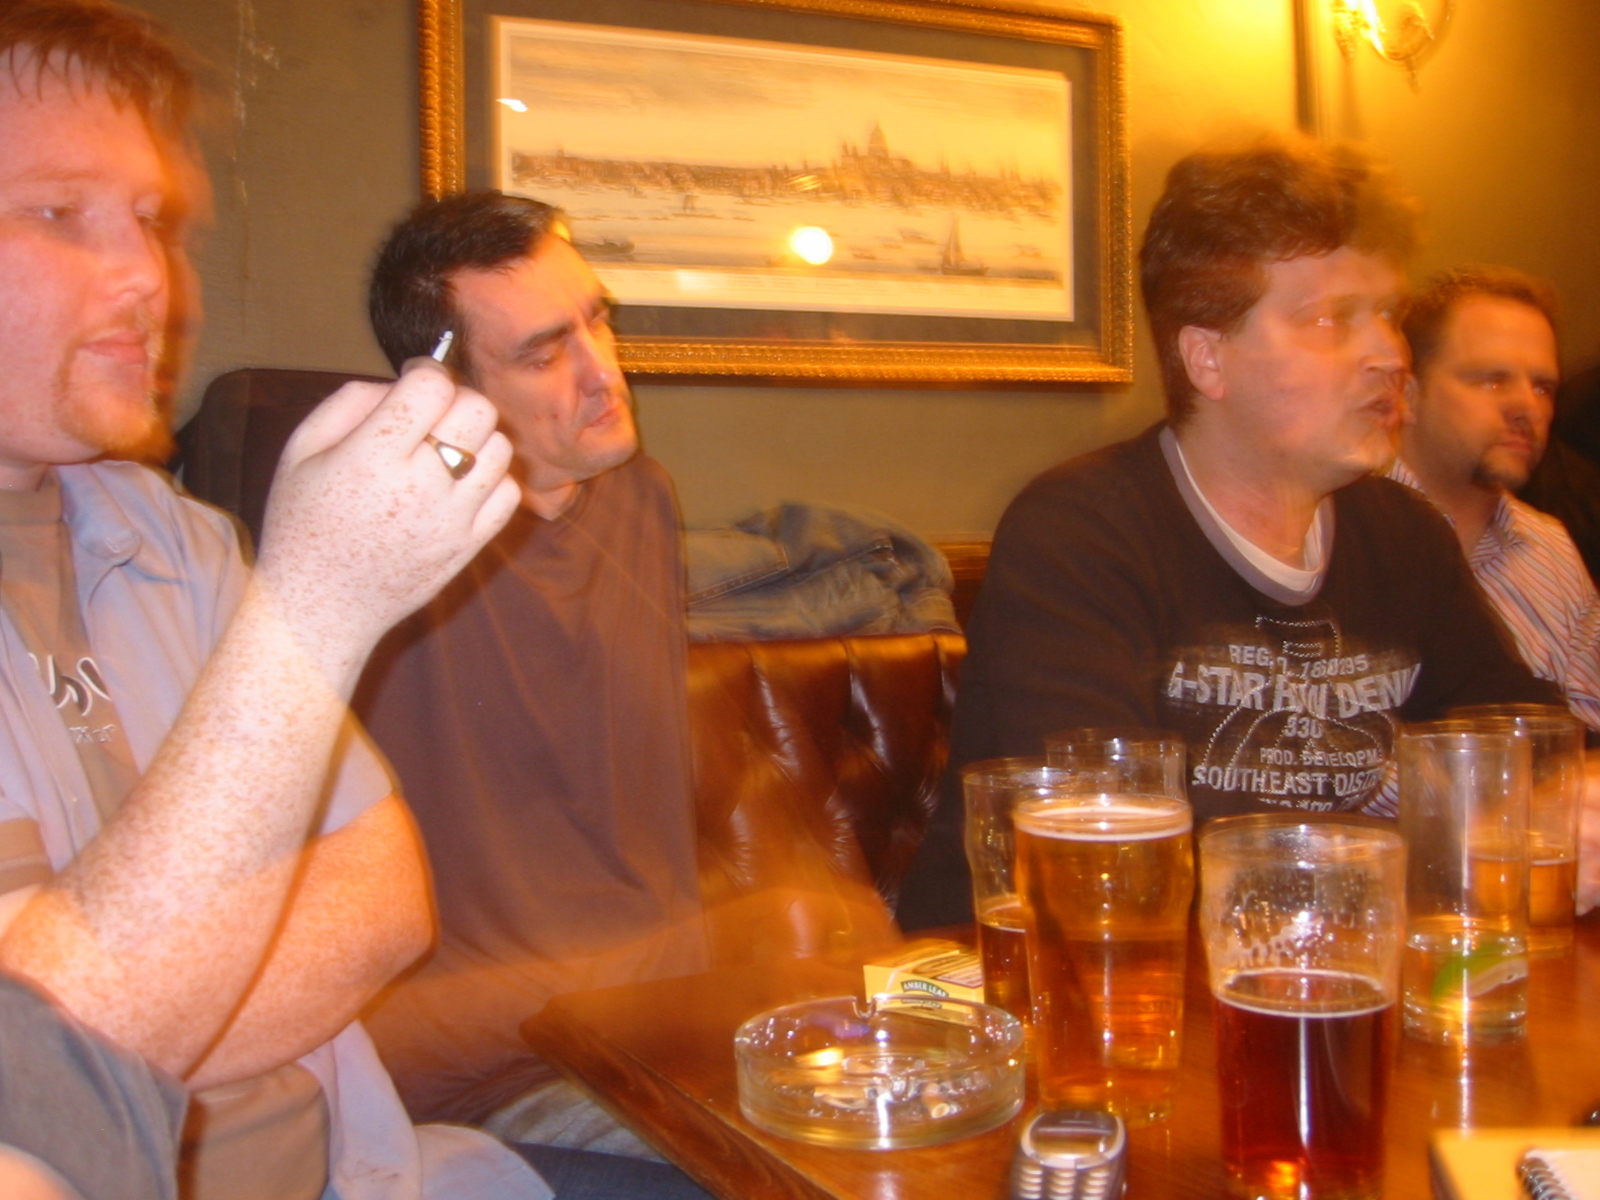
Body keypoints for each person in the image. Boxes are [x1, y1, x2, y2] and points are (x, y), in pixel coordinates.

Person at [0, 3, 545, 1197]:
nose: (149, 274)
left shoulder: (177, 536)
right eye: (57, 213)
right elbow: (26, 1083)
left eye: (150, 220)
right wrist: (313, 611)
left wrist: (131, 1002)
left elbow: (389, 897)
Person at [897, 137, 1559, 930]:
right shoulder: (1080, 532)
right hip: (1036, 995)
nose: (1389, 354)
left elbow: (1527, 740)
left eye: (1386, 314)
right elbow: (1114, 859)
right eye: (1329, 319)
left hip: (1316, 981)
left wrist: (1571, 791)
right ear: (1207, 359)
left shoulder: (1404, 535)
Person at [355, 192, 709, 1140]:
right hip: (492, 1079)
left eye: (598, 320)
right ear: (446, 392)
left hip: (662, 1032)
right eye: (545, 353)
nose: (605, 375)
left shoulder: (640, 496)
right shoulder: (381, 534)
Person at [1393, 266, 1600, 733]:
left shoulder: (1550, 552)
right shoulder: (1333, 528)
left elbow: (1585, 734)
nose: (1527, 407)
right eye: (1492, 380)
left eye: (1543, 386)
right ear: (1407, 392)